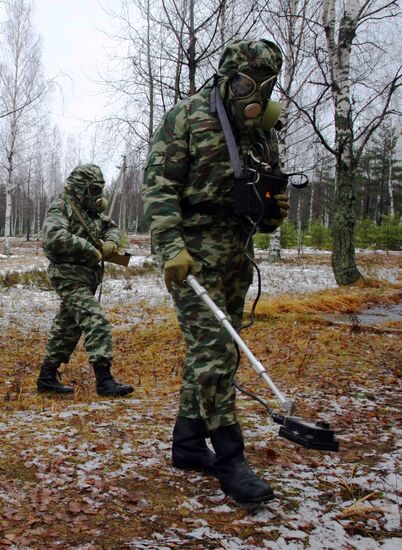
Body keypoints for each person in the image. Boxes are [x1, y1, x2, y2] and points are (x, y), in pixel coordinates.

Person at [142, 39, 289, 506]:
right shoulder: (185, 117)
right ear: (228, 78)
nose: (256, 97)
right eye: (248, 85)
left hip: (237, 250)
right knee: (216, 350)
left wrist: (273, 210)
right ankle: (231, 460)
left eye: (266, 87)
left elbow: (264, 200)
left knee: (215, 348)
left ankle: (187, 445)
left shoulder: (264, 132)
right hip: (191, 249)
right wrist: (171, 248)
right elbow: (158, 188)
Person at [37, 163, 134, 398]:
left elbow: (113, 229)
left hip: (87, 278)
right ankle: (105, 381)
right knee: (95, 320)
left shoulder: (89, 212)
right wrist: (91, 250)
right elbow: (53, 236)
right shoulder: (61, 208)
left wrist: (110, 243)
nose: (97, 196)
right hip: (68, 276)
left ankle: (46, 377)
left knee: (66, 328)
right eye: (93, 190)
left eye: (99, 190)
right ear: (81, 188)